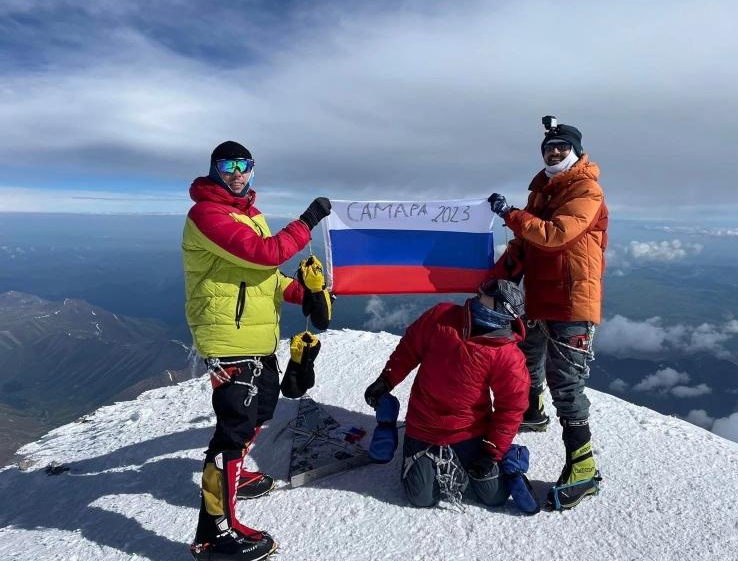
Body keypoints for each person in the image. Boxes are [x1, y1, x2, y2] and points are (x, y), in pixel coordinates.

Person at [184, 140, 332, 560]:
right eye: (228, 164)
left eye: (244, 165)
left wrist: (302, 292)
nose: (236, 172)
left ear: (252, 170)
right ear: (214, 169)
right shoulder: (206, 214)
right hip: (228, 340)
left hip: (257, 338)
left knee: (259, 413)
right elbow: (265, 252)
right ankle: (213, 533)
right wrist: (307, 220)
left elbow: (266, 274)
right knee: (230, 433)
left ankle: (235, 478)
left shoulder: (251, 215)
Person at [488, 115, 608, 510]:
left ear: (575, 151)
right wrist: (491, 281)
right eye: (548, 148)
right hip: (540, 296)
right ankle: (532, 411)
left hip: (573, 302)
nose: (554, 152)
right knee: (526, 359)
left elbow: (555, 235)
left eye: (561, 147)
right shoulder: (543, 191)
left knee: (567, 384)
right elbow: (524, 247)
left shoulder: (585, 189)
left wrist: (511, 216)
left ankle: (584, 468)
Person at [363, 280, 530, 510]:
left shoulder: (507, 355)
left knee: (495, 496)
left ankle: (510, 457)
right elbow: (409, 348)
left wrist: (492, 452)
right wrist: (386, 380)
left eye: (489, 292)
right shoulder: (442, 316)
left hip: (469, 430)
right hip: (423, 424)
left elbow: (511, 407)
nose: (480, 290)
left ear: (500, 310)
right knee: (421, 498)